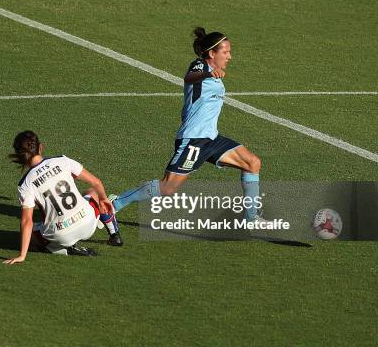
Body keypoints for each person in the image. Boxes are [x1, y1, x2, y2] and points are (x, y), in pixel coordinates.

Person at [110, 27, 266, 223]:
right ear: (212, 53)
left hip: (211, 138)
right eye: (225, 52)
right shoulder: (199, 66)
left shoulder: (213, 72)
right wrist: (208, 74)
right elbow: (189, 77)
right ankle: (114, 204)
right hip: (194, 139)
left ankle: (251, 219)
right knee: (168, 188)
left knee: (252, 163)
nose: (230, 57)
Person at [4, 131, 123, 265]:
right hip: (87, 224)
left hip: (60, 235)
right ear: (40, 147)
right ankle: (114, 235)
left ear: (19, 156)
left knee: (29, 235)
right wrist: (103, 199)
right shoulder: (62, 160)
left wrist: (22, 255)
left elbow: (27, 222)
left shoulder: (25, 184)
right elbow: (96, 182)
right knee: (93, 192)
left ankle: (60, 249)